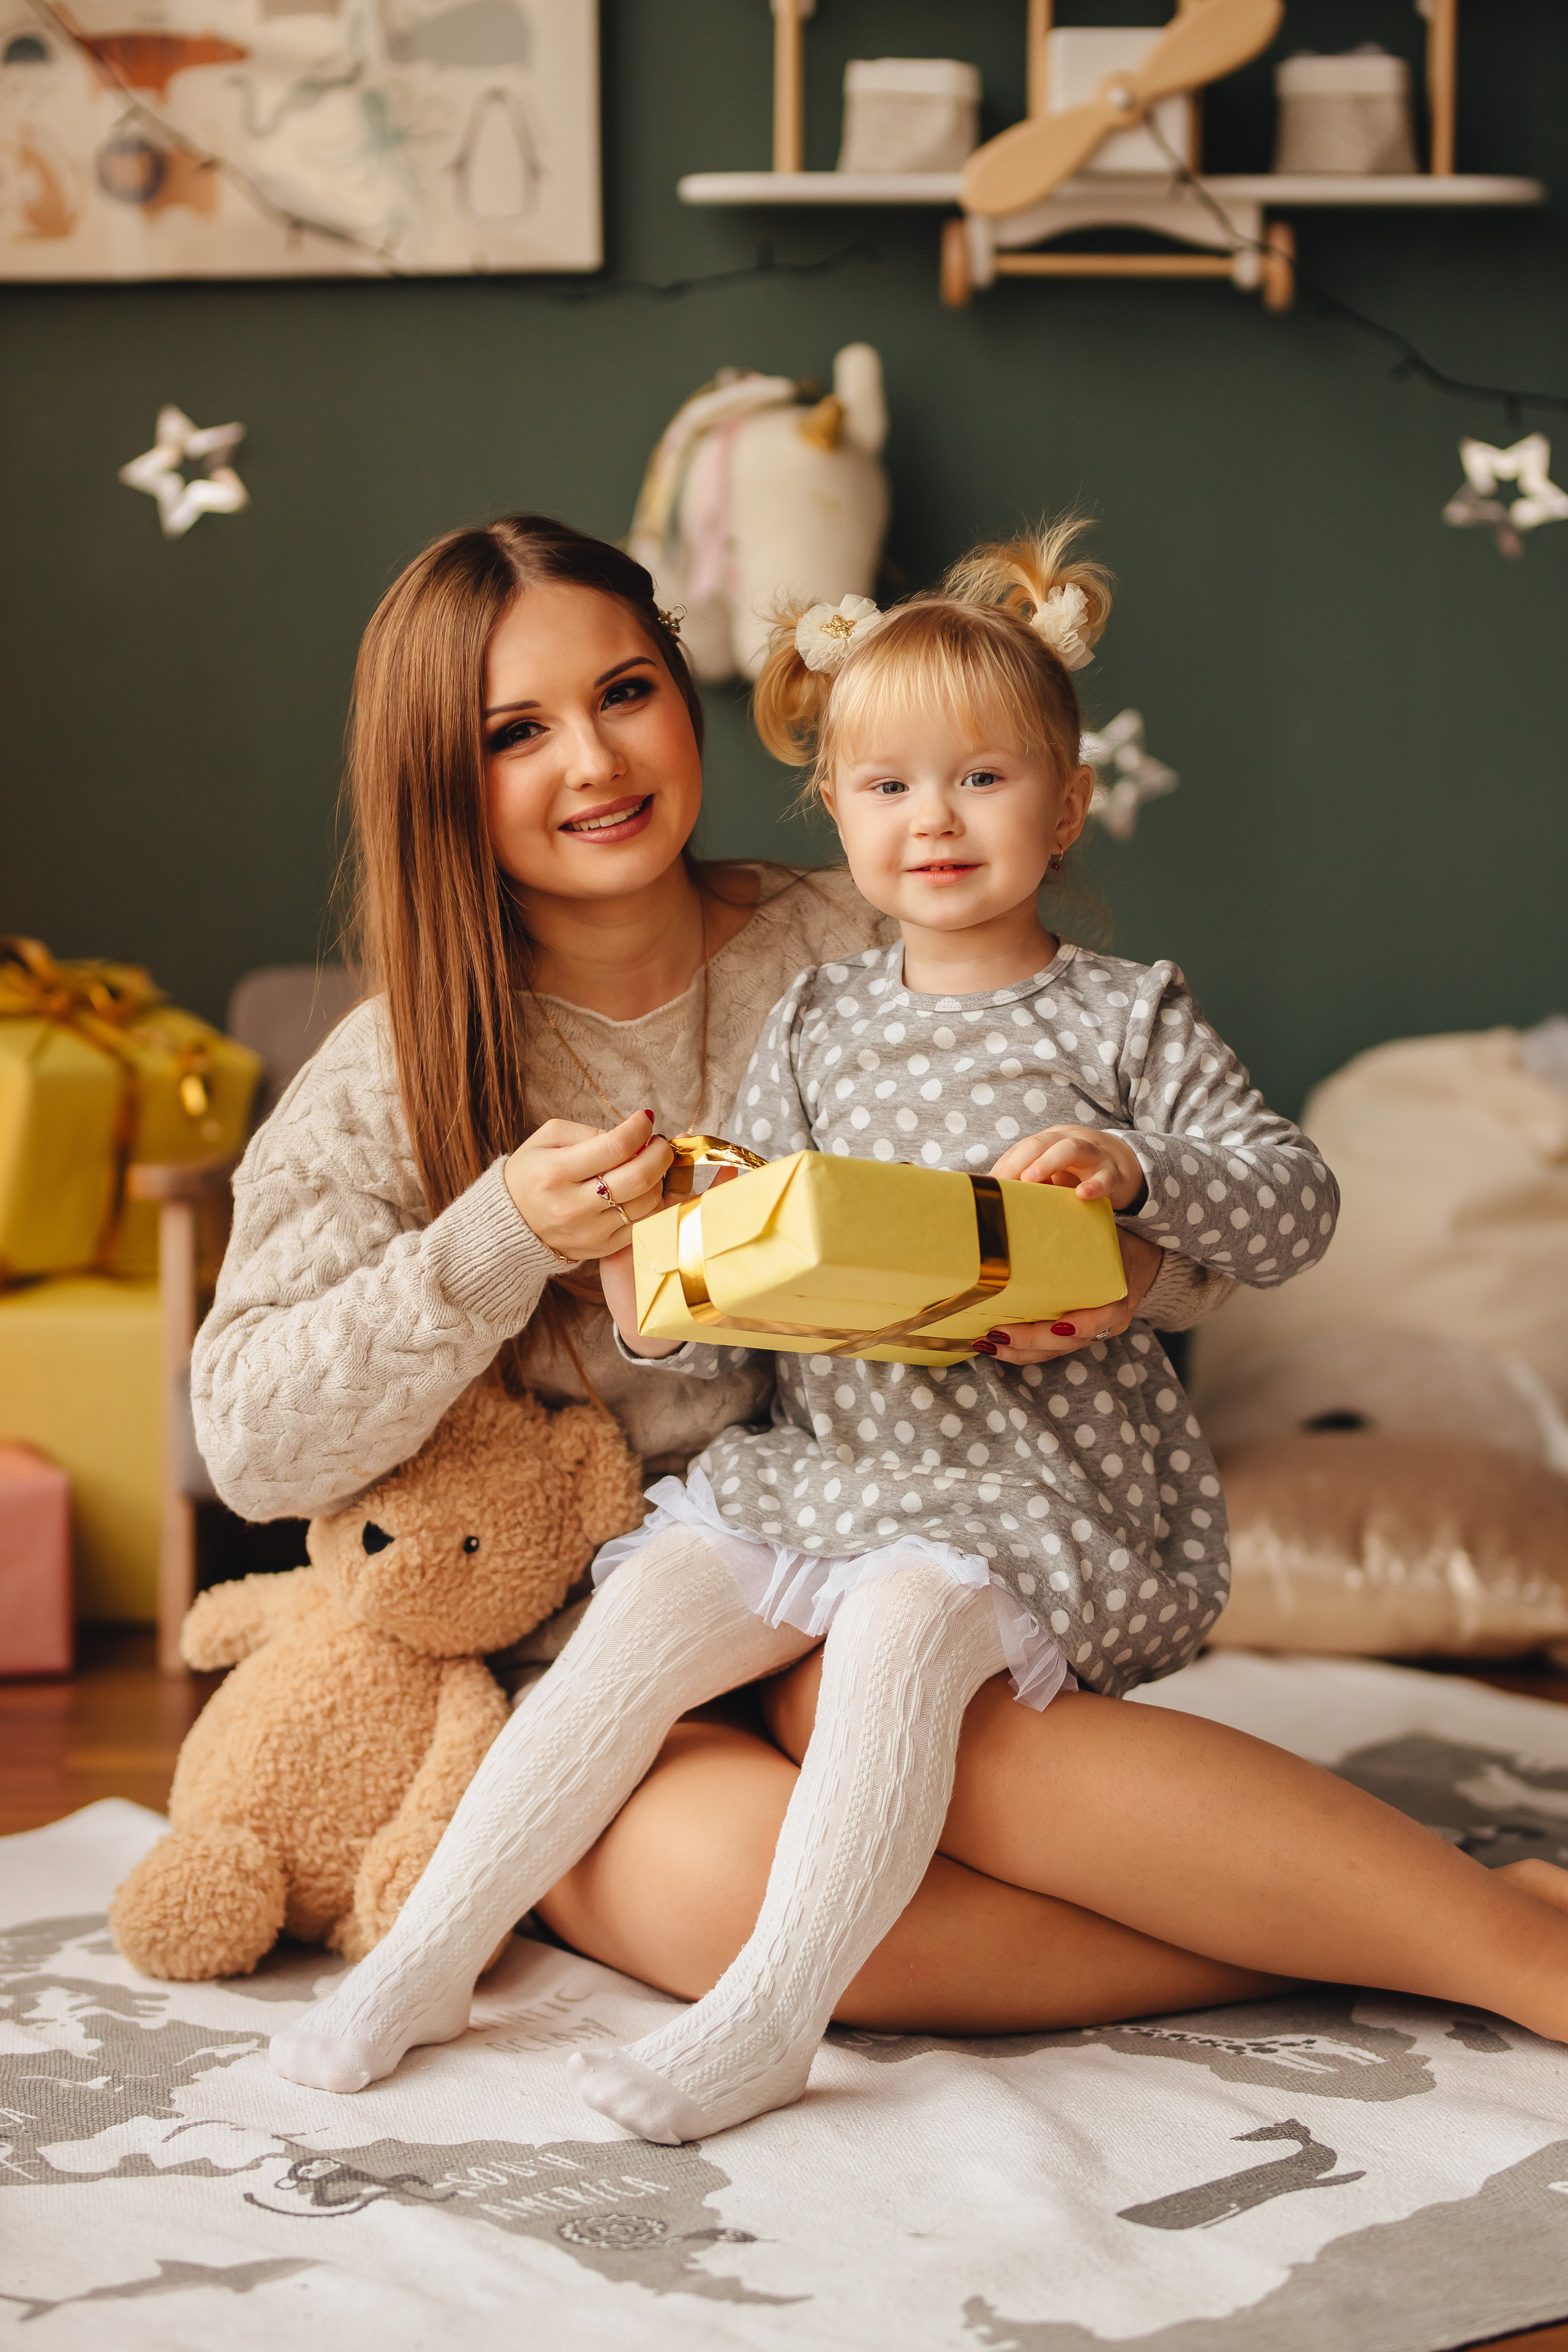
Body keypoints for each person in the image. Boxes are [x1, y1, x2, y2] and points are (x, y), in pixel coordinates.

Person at [198, 513, 1568, 2130]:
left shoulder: (864, 930)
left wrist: (1107, 1265)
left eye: (625, 691)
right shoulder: (396, 1067)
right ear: (444, 776)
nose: (595, 759)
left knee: (950, 1723)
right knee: (721, 1896)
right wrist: (499, 1241)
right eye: (516, 732)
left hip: (927, 1518)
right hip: (620, 1609)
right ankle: (1372, 1937)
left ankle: (1502, 1947)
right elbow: (253, 1442)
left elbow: (1156, 1196)